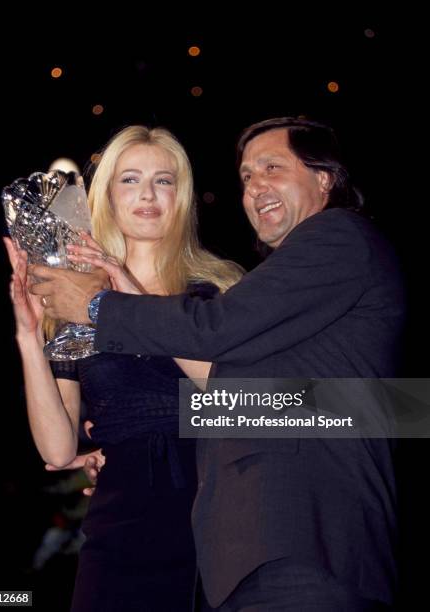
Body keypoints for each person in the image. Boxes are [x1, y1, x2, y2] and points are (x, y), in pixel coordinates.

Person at [31, 117, 405, 611]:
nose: (255, 187)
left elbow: (220, 335)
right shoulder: (300, 282)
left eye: (273, 167)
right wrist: (131, 440)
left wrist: (101, 305)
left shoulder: (337, 237)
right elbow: (286, 403)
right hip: (254, 548)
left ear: (325, 177)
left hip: (304, 541)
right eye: (246, 176)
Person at [5, 125, 242, 612]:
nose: (148, 195)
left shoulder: (218, 287)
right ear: (107, 196)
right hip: (119, 523)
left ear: (183, 195)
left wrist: (122, 297)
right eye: (130, 180)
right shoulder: (74, 299)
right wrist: (29, 335)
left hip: (212, 514)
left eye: (164, 180)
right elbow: (57, 446)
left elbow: (238, 391)